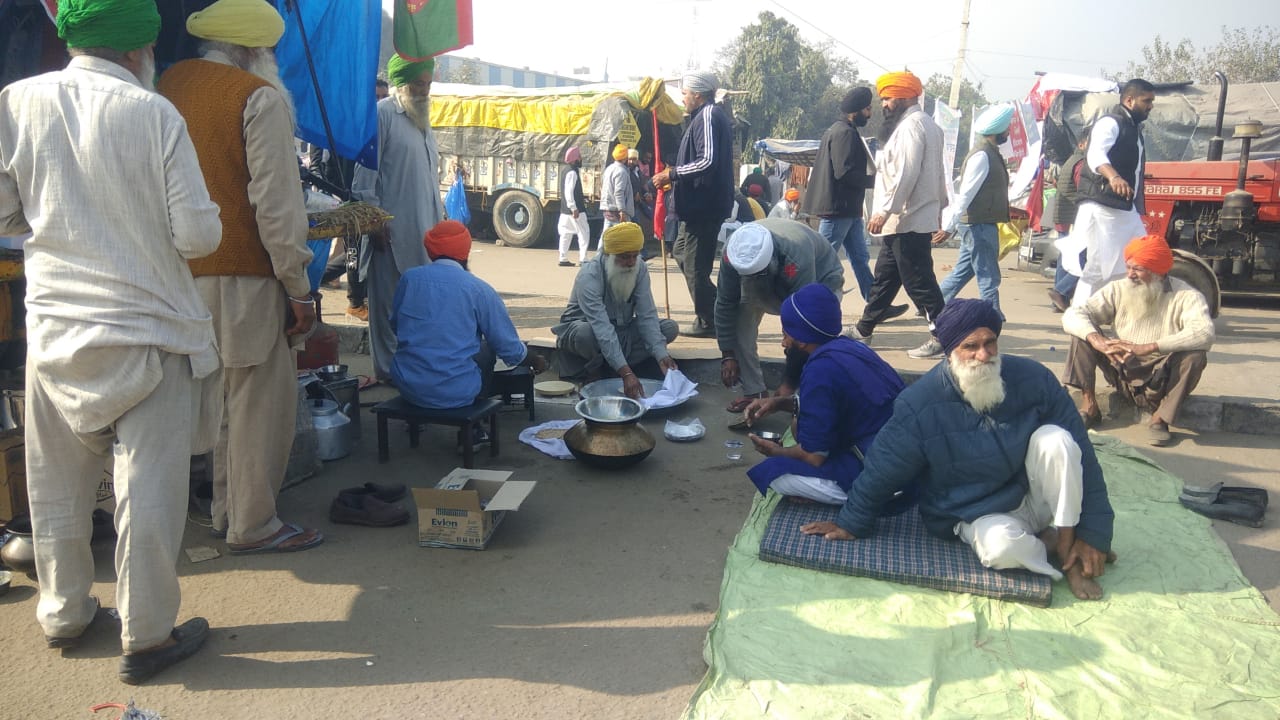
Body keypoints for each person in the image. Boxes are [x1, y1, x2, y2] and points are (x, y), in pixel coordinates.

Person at [0, 0, 220, 683]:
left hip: (56, 331)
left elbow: (6, 212)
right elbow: (199, 236)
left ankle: (64, 613)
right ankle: (147, 635)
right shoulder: (153, 113)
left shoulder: (18, 101)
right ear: (139, 50)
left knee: (56, 486)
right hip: (147, 334)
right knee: (147, 494)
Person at [803, 299, 1116, 601]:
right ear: (950, 352)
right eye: (970, 346)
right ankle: (1047, 543)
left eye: (990, 342)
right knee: (1002, 551)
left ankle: (1068, 546)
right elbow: (884, 467)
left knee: (1057, 440)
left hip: (1032, 493)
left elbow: (1083, 457)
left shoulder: (1034, 379)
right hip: (975, 510)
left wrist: (1094, 533)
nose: (984, 355)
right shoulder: (920, 403)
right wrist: (851, 521)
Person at [160, 0, 323, 556]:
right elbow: (276, 206)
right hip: (243, 278)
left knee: (206, 403)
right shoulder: (258, 97)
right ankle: (253, 524)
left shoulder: (169, 84)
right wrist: (298, 287)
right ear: (255, 51)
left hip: (174, 277)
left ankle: (223, 512)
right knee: (253, 404)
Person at [742, 284, 904, 504]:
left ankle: (853, 495)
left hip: (886, 477)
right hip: (901, 453)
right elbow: (836, 401)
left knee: (776, 474)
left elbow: (814, 456)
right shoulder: (851, 347)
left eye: (785, 334)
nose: (783, 342)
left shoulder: (820, 371)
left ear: (802, 339)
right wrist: (779, 403)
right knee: (800, 425)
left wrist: (776, 452)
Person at [390, 221, 548, 434]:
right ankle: (473, 432)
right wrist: (535, 360)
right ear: (466, 253)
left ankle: (416, 421)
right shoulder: (478, 289)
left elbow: (395, 325)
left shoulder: (409, 279)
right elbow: (508, 347)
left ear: (430, 252)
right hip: (455, 392)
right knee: (485, 349)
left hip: (408, 386)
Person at [1062, 235, 1214, 446]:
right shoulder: (1118, 288)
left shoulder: (1187, 295)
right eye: (1128, 267)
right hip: (1122, 367)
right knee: (1081, 335)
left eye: (1138, 269)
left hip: (1161, 375)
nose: (1130, 275)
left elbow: (1204, 332)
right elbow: (1073, 314)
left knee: (1195, 356)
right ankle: (1089, 406)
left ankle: (1160, 418)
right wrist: (1097, 340)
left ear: (1159, 272)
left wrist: (1151, 347)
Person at [351, 54, 445, 383]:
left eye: (428, 84)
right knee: (386, 307)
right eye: (419, 84)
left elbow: (428, 180)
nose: (425, 91)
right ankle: (388, 374)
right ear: (402, 84)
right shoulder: (382, 116)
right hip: (390, 232)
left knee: (417, 307)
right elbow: (364, 177)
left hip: (426, 233)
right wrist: (374, 221)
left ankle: (413, 371)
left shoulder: (422, 121)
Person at [846, 71, 949, 359]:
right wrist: (940, 205)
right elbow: (938, 174)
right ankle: (864, 330)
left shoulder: (911, 128)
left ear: (905, 97)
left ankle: (944, 336)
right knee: (885, 279)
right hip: (906, 219)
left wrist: (883, 210)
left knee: (919, 281)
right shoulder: (927, 125)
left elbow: (905, 174)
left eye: (888, 99)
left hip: (907, 218)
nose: (884, 105)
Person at [716, 219, 844, 412]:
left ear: (771, 261)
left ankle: (804, 396)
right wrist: (727, 355)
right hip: (774, 281)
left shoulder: (796, 255)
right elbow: (725, 303)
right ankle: (755, 392)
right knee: (740, 319)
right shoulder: (731, 253)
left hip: (821, 280)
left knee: (811, 338)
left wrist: (787, 386)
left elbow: (802, 325)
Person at [650, 70, 734, 339]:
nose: (683, 98)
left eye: (685, 93)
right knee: (682, 253)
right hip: (694, 208)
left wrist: (672, 173)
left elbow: (707, 160)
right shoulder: (702, 117)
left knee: (697, 269)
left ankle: (713, 319)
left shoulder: (709, 115)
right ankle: (717, 310)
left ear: (698, 95)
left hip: (705, 207)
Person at [552, 223, 679, 399]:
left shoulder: (639, 267)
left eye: (635, 256)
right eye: (625, 257)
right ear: (608, 255)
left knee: (669, 328)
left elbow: (647, 315)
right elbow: (601, 327)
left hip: (621, 333)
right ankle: (599, 369)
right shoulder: (589, 275)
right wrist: (626, 373)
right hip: (590, 336)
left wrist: (662, 355)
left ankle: (614, 366)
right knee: (585, 333)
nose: (631, 263)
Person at [1072, 79, 1155, 301]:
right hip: (1102, 206)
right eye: (1146, 101)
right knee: (1099, 267)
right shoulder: (1111, 123)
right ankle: (1080, 322)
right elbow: (1096, 154)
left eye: (1152, 101)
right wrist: (1114, 177)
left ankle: (1123, 313)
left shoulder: (1134, 130)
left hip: (1125, 209)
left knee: (1140, 258)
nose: (1150, 106)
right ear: (1129, 100)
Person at [934, 103, 1014, 316]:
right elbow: (966, 195)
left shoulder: (990, 152)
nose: (1008, 132)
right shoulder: (982, 156)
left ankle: (933, 304)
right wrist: (949, 227)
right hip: (977, 225)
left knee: (963, 271)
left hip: (979, 223)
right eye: (1007, 129)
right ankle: (992, 315)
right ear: (998, 131)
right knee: (988, 274)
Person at [805, 86, 880, 302]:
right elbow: (844, 172)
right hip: (838, 208)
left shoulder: (840, 130)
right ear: (854, 111)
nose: (870, 113)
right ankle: (806, 302)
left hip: (847, 208)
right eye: (867, 109)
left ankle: (875, 303)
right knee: (822, 259)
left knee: (859, 257)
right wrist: (876, 181)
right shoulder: (844, 133)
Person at [1048, 134, 1090, 312]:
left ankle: (1058, 300)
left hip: (1064, 216)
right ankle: (1061, 291)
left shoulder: (1071, 161)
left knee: (1065, 258)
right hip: (1074, 218)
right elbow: (1083, 193)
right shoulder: (1081, 164)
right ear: (1081, 144)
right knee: (1083, 258)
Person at [557, 146, 590, 266]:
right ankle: (583, 259)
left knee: (565, 234)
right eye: (579, 157)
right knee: (584, 233)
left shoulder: (565, 170)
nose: (581, 159)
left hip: (565, 210)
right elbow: (569, 192)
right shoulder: (572, 172)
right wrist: (574, 208)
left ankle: (563, 258)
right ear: (575, 159)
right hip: (575, 210)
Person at [600, 143, 634, 238]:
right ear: (624, 158)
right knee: (623, 239)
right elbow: (619, 192)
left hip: (608, 208)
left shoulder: (609, 169)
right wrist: (622, 210)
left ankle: (599, 253)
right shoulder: (621, 171)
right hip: (617, 210)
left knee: (605, 237)